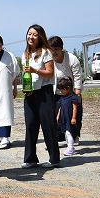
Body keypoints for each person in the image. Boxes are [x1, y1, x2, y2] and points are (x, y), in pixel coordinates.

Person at [21, 24, 60, 169]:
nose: (31, 37)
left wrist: (34, 70)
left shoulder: (46, 52)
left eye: (35, 35)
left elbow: (50, 72)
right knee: (30, 125)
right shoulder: (25, 54)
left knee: (48, 125)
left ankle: (54, 158)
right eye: (29, 34)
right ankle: (30, 158)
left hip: (44, 92)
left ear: (40, 37)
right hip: (30, 93)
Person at [48, 36, 83, 144]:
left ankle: (75, 134)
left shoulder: (72, 59)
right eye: (51, 49)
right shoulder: (48, 61)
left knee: (74, 114)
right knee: (56, 117)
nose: (54, 52)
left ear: (62, 48)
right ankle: (58, 137)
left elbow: (77, 77)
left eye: (56, 49)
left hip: (70, 92)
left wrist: (77, 94)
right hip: (55, 93)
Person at [56, 76, 79, 156]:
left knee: (69, 132)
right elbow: (60, 107)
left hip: (69, 118)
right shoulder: (62, 98)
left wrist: (73, 117)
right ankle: (69, 146)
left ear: (68, 88)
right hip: (63, 118)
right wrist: (58, 116)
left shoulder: (73, 97)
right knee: (66, 132)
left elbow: (75, 108)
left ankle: (71, 147)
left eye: (63, 90)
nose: (61, 91)